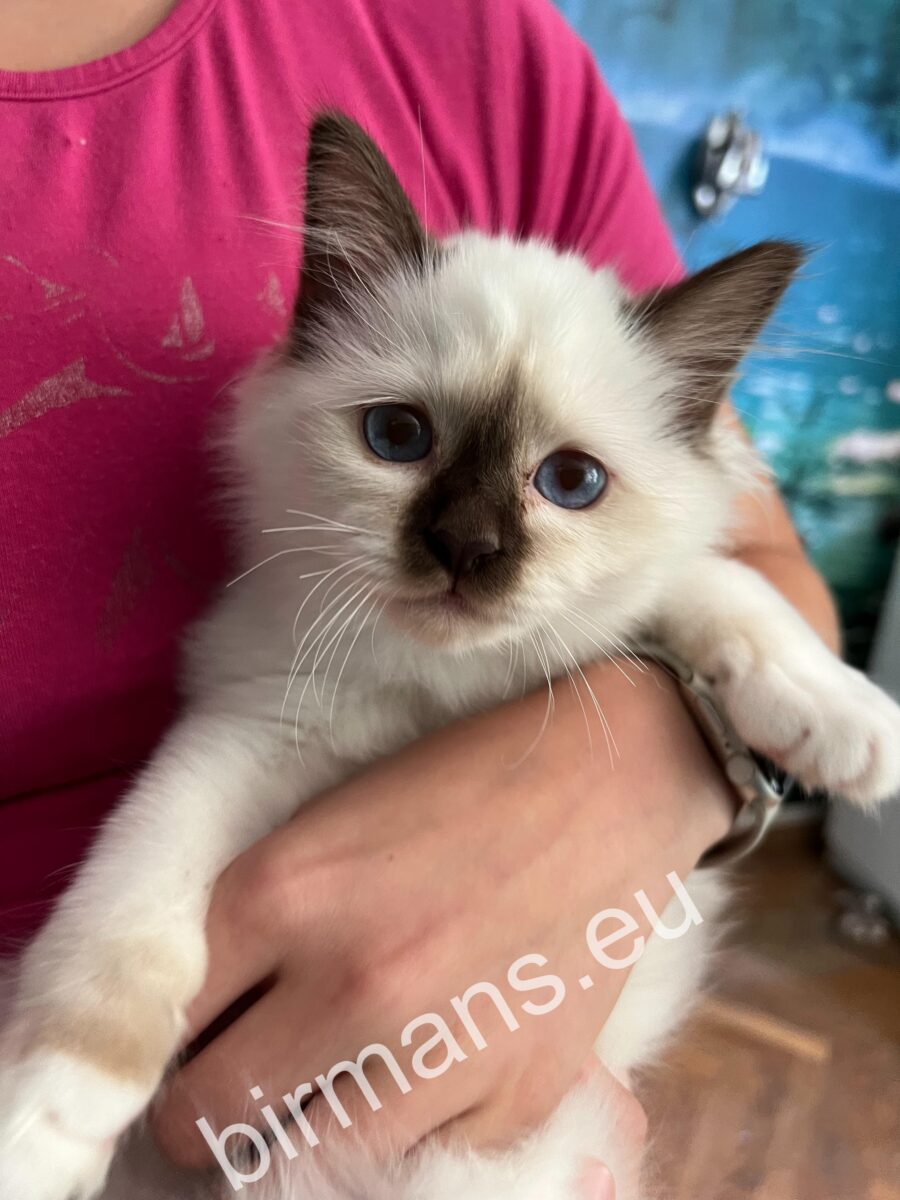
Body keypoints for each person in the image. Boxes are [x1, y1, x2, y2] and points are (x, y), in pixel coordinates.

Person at [0, 0, 839, 1195]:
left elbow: (745, 569)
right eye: (399, 434)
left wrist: (674, 744)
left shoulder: (482, 48)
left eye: (567, 481)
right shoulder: (287, 646)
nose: (468, 541)